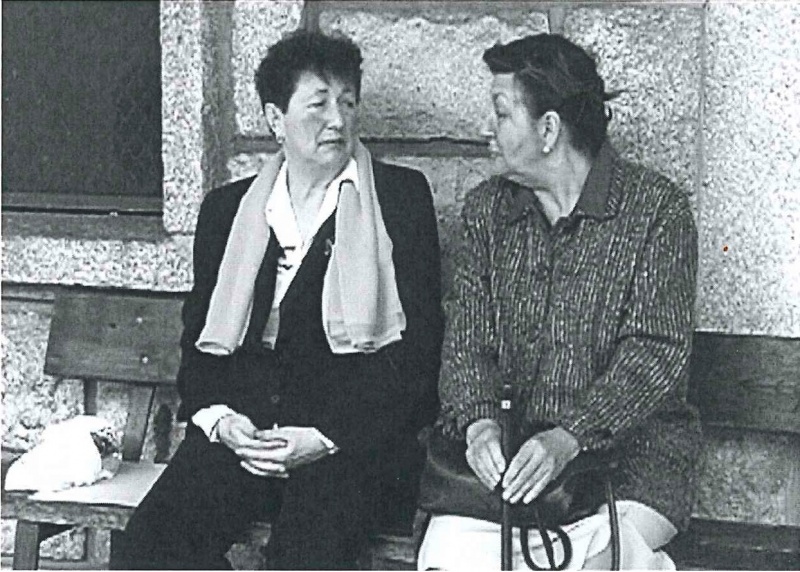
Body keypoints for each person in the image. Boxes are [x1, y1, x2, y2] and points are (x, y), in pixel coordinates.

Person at [112, 30, 444, 570]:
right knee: (149, 548)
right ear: (275, 118)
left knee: (307, 556)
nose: (338, 120)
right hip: (244, 437)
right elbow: (199, 346)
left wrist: (325, 437)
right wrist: (223, 423)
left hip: (350, 445)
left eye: (348, 103)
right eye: (319, 104)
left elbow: (419, 356)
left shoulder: (399, 200)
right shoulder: (228, 211)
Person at [418, 34, 701, 570]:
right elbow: (467, 343)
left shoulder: (656, 212)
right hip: (511, 472)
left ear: (548, 130)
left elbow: (655, 352)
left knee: (596, 563)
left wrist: (570, 437)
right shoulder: (487, 213)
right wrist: (480, 426)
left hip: (629, 468)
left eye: (502, 113)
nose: (488, 130)